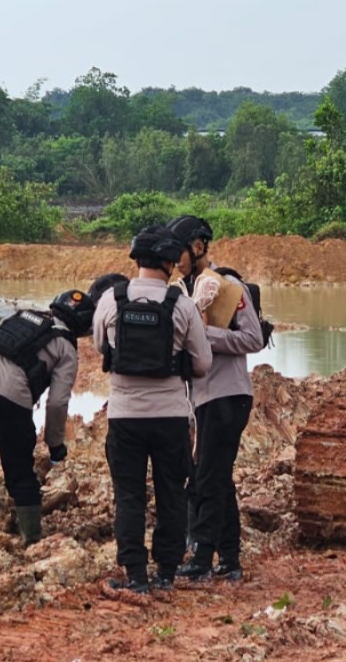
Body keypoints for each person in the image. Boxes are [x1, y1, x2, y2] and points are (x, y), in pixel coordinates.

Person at [93, 226, 212, 594]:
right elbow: (204, 363)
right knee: (171, 493)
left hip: (125, 417)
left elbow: (100, 347)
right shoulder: (183, 305)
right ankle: (166, 573)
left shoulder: (111, 300)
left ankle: (136, 576)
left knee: (128, 496)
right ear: (168, 261)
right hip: (170, 417)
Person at [165, 215, 266, 583]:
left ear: (197, 247)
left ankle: (203, 559)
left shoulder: (227, 285)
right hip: (204, 399)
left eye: (179, 251)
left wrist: (205, 336)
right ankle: (231, 560)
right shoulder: (187, 289)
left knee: (207, 478)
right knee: (218, 478)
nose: (175, 259)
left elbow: (252, 340)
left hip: (229, 395)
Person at [0, 289, 95, 545]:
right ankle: (31, 540)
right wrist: (55, 446)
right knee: (20, 470)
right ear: (83, 325)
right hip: (10, 397)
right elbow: (57, 403)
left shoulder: (19, 317)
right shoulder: (66, 346)